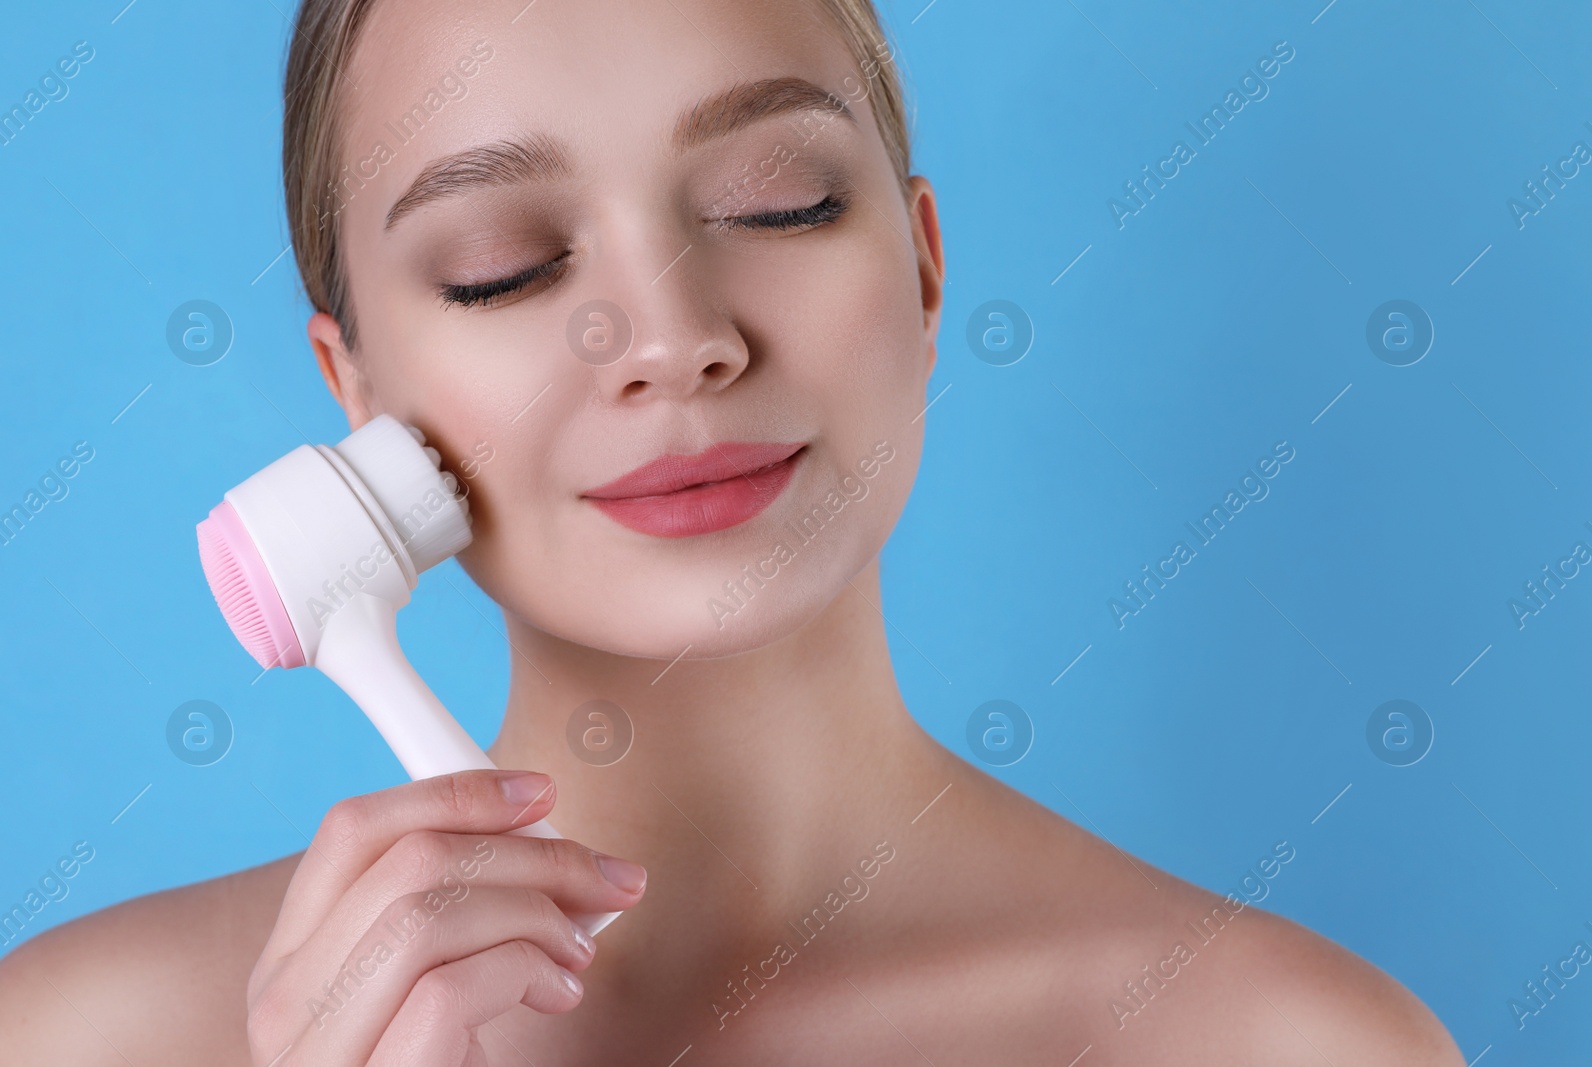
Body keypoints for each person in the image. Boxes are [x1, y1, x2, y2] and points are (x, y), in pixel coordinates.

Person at [0, 0, 1467, 1062]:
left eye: (780, 204)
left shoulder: (1285, 1042)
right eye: (505, 269)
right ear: (357, 394)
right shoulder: (81, 1040)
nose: (672, 339)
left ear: (926, 267)